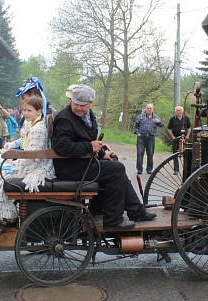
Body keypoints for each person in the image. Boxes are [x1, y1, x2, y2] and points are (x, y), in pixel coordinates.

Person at [52, 85, 155, 228]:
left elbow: (88, 140)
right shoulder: (65, 118)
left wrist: (102, 154)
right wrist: (90, 147)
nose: (79, 108)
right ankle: (113, 219)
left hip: (82, 162)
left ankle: (133, 210)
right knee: (117, 169)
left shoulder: (88, 115)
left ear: (90, 104)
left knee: (114, 163)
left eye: (83, 105)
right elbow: (61, 147)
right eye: (76, 104)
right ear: (71, 100)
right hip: (71, 168)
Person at [0, 97, 55, 225]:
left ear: (39, 111)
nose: (25, 113)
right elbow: (24, 140)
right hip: (26, 160)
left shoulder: (39, 129)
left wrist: (13, 160)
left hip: (33, 167)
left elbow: (32, 156)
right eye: (24, 110)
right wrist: (12, 145)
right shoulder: (31, 122)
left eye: (29, 110)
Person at [133, 103, 163, 174]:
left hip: (151, 138)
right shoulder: (140, 116)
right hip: (141, 137)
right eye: (148, 108)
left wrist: (159, 122)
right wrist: (138, 133)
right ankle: (139, 169)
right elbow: (135, 126)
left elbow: (162, 125)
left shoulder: (156, 117)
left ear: (152, 109)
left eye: (150, 108)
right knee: (140, 153)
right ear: (145, 109)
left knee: (150, 154)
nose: (149, 109)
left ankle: (149, 169)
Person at [167, 106, 192, 175]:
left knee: (186, 154)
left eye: (180, 110)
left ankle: (186, 170)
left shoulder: (186, 118)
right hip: (176, 139)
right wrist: (172, 136)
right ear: (175, 111)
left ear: (182, 111)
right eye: (177, 110)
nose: (178, 112)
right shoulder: (172, 119)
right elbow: (169, 128)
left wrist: (187, 136)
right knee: (175, 154)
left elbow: (189, 127)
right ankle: (176, 170)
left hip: (184, 139)